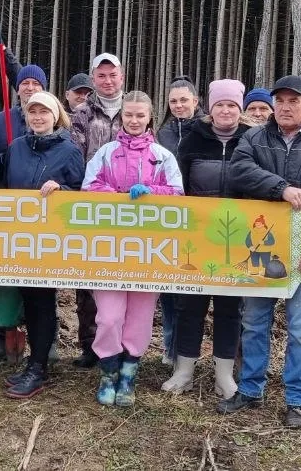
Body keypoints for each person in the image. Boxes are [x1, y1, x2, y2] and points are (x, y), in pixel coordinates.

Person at [220, 75, 301, 429]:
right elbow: (239, 171)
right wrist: (280, 188)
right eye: (280, 100)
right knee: (254, 323)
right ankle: (250, 389)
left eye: (294, 100)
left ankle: (297, 399)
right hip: (262, 253)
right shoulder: (255, 137)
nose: (286, 106)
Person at [82, 91, 184, 407]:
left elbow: (178, 195)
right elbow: (88, 189)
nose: (134, 121)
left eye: (140, 115)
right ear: (122, 117)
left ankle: (128, 375)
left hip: (148, 253)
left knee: (139, 319)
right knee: (110, 318)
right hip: (109, 250)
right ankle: (108, 372)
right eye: (129, 115)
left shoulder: (163, 156)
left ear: (150, 117)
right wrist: (113, 194)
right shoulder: (105, 153)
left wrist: (152, 192)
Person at [165, 79, 250, 400]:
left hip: (237, 239)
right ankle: (183, 370)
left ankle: (224, 375)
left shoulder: (251, 139)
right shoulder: (193, 140)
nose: (225, 110)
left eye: (231, 105)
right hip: (197, 236)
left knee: (230, 307)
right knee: (191, 306)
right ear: (209, 108)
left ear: (239, 110)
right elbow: (179, 186)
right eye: (220, 105)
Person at [0, 91, 85, 398]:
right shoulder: (16, 147)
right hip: (19, 238)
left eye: (44, 112)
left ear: (56, 115)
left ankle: (38, 368)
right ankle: (34, 361)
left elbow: (81, 193)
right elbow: (2, 181)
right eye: (32, 112)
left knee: (42, 301)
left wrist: (63, 189)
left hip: (50, 241)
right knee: (29, 300)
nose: (37, 117)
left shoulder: (69, 150)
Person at [0, 63, 48, 364]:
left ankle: (43, 339)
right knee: (3, 274)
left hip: (42, 212)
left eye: (36, 83)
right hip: (7, 207)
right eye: (25, 83)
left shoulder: (52, 117)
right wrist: (9, 156)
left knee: (41, 276)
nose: (30, 87)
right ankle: (1, 334)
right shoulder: (0, 120)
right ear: (17, 88)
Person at [68, 53, 127, 368]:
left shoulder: (135, 109)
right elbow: (75, 157)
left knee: (124, 277)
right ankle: (89, 345)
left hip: (129, 210)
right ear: (93, 79)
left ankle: (122, 345)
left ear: (122, 76)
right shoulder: (81, 113)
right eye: (101, 75)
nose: (107, 80)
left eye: (112, 74)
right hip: (90, 206)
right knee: (87, 277)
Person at [153, 76, 203, 365]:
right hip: (168, 220)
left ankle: (189, 353)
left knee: (192, 293)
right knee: (168, 292)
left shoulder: (206, 131)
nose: (179, 105)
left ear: (195, 102)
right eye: (174, 101)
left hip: (198, 219)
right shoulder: (163, 132)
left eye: (184, 100)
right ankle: (170, 350)